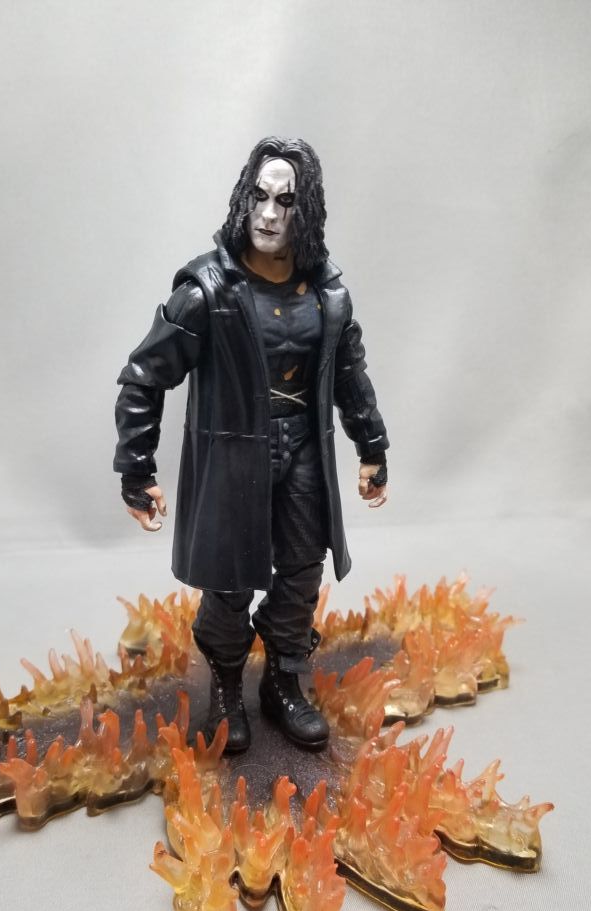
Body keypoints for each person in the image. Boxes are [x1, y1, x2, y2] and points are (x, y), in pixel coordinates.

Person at [114, 137, 389, 755]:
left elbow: (349, 374)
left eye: (285, 202)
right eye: (259, 196)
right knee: (229, 578)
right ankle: (226, 688)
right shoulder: (208, 290)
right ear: (244, 198)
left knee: (303, 569)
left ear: (305, 210)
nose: (268, 214)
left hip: (304, 449)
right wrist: (136, 469)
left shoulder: (327, 294)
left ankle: (284, 681)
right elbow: (144, 376)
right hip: (234, 453)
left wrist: (372, 447)